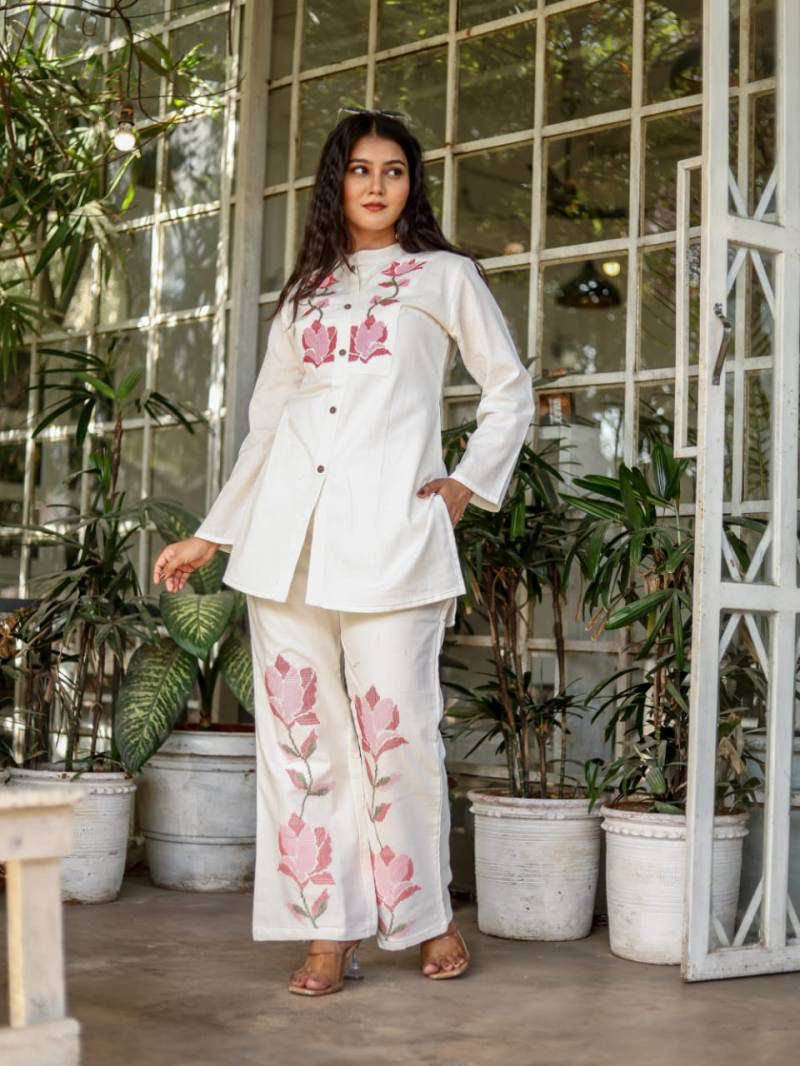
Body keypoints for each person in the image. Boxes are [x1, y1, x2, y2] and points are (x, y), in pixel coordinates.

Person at [152, 107, 534, 996]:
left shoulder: (445, 277)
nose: (377, 184)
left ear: (411, 185)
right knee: (302, 749)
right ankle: (328, 930)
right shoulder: (305, 295)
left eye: (394, 170)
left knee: (399, 740)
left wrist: (466, 484)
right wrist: (214, 532)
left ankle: (427, 917)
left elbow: (509, 390)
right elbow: (266, 428)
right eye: (361, 169)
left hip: (392, 545)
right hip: (286, 551)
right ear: (338, 182)